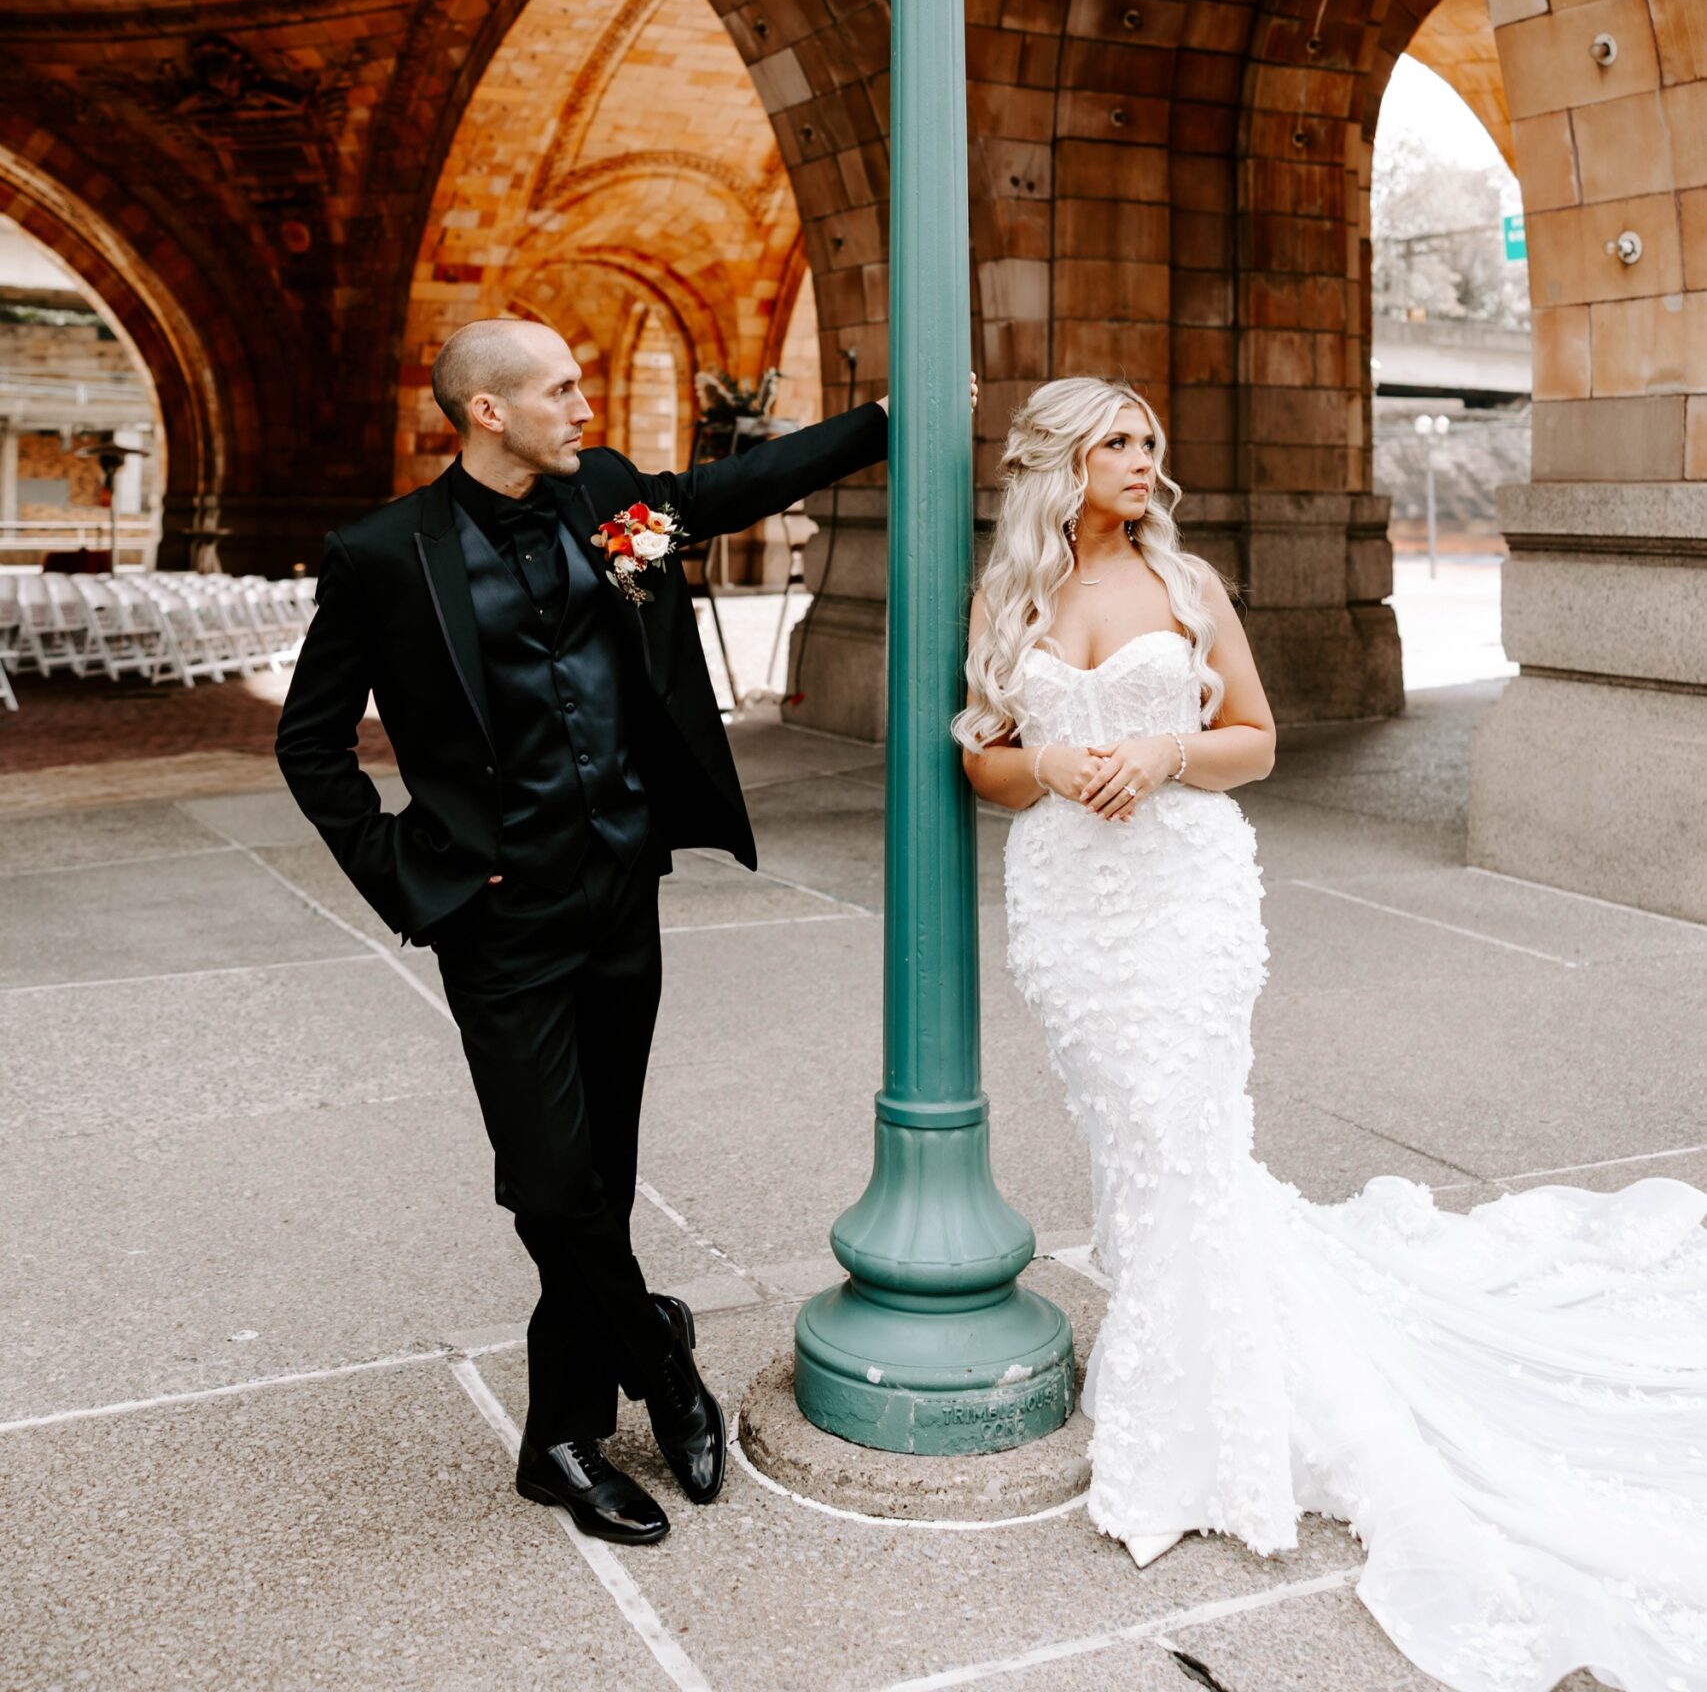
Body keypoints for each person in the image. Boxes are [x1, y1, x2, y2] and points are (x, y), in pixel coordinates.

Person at [957, 375, 1707, 1692]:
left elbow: (1252, 738)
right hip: (1067, 906)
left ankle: (1188, 1430)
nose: (1141, 459)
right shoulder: (1009, 595)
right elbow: (982, 756)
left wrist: (1160, 754)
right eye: (1115, 442)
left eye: (1149, 438)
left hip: (1181, 898)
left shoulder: (1184, 588)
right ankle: (1182, 1345)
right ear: (1057, 462)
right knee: (1123, 1139)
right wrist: (1050, 769)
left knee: (1181, 1138)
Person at [276, 320, 887, 1547]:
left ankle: (561, 1434)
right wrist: (407, 873)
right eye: (560, 388)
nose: (583, 402)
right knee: (550, 1186)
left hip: (621, 893)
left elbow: (722, 491)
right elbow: (311, 740)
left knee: (600, 1171)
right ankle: (660, 1358)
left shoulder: (601, 504)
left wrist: (885, 422)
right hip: (498, 919)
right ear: (487, 412)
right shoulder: (387, 553)